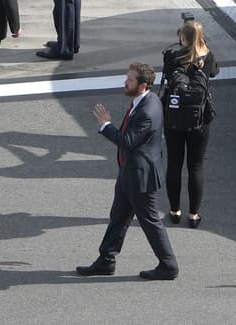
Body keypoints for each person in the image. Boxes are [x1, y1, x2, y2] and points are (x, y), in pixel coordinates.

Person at [80, 62, 179, 281]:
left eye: (130, 80)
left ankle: (168, 264)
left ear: (143, 85)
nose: (126, 82)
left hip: (140, 177)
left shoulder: (147, 111)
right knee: (118, 217)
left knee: (150, 221)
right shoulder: (146, 101)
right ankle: (106, 260)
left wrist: (106, 125)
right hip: (130, 173)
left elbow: (128, 142)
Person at [161, 17, 219, 228]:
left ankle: (175, 210)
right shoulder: (208, 57)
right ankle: (194, 214)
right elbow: (213, 73)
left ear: (183, 37)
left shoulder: (171, 56)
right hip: (199, 120)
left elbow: (167, 76)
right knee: (196, 166)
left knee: (174, 163)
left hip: (174, 117)